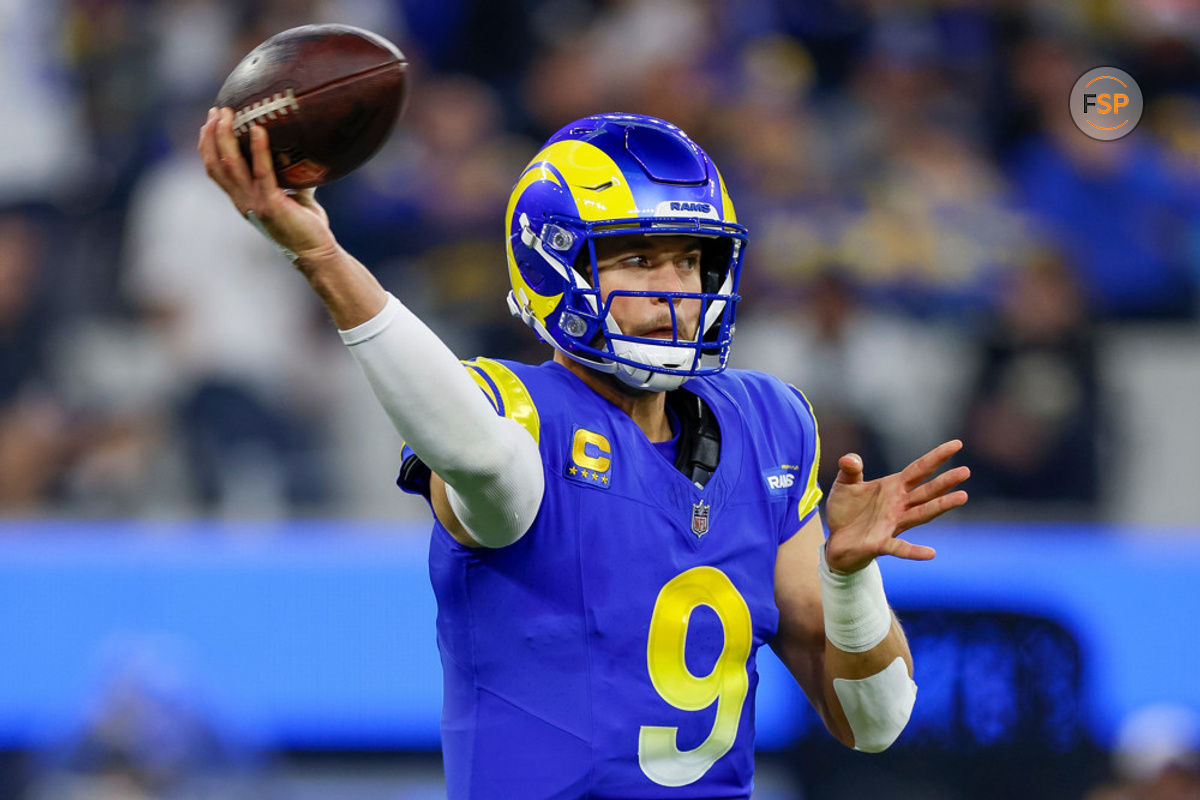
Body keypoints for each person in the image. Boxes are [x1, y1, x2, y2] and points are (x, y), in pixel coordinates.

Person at [198, 107, 969, 799]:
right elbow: (482, 458)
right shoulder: (514, 414)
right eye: (638, 259)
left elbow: (876, 722)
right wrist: (324, 258)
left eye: (690, 260)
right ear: (554, 265)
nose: (676, 291)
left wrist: (851, 579)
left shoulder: (768, 424)